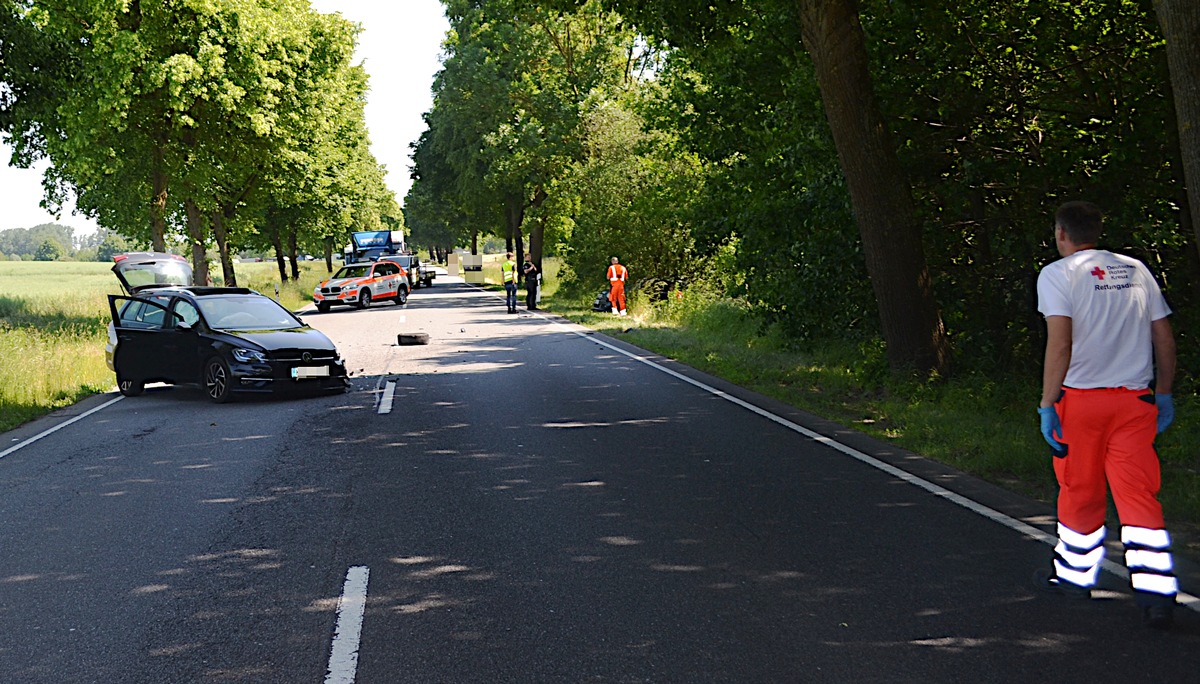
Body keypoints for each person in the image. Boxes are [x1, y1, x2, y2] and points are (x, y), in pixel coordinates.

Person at [1034, 200, 1179, 629]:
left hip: (1080, 402)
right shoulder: (1134, 269)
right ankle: (1157, 595)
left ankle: (1076, 578)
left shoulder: (1057, 275)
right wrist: (1164, 393)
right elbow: (1164, 339)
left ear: (1062, 234)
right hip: (1134, 402)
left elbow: (1060, 344)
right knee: (1138, 496)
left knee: (1079, 489)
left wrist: (1046, 403)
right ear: (1096, 230)